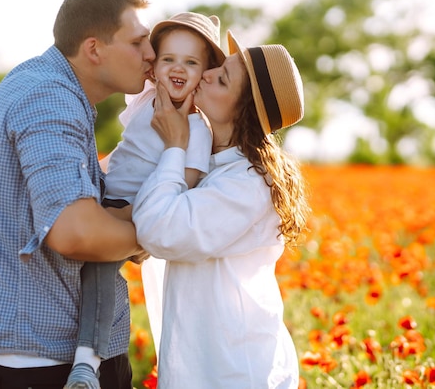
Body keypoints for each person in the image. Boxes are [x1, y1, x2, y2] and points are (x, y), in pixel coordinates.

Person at [0, 0, 152, 389]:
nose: (151, 55)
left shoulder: (35, 86)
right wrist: (154, 232)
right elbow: (75, 232)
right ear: (94, 48)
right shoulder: (49, 98)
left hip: (29, 352)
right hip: (45, 362)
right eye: (138, 42)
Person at [132, 30, 309, 389]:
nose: (207, 74)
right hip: (210, 365)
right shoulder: (213, 164)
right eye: (217, 67)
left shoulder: (247, 183)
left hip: (235, 373)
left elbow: (158, 231)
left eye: (222, 78)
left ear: (243, 110)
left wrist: (174, 146)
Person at [66, 12, 226, 389]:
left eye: (191, 62)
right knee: (49, 230)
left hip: (131, 210)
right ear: (154, 67)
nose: (177, 68)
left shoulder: (198, 131)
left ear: (204, 74)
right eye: (169, 59)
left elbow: (181, 189)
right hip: (99, 189)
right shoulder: (145, 98)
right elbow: (137, 53)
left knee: (101, 269)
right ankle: (0, 324)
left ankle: (87, 362)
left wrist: (134, 222)